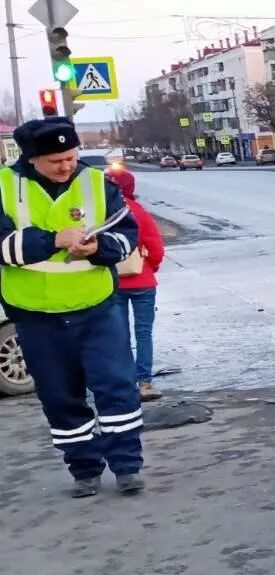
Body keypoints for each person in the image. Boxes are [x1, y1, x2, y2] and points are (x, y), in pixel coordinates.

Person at [0, 117, 145, 497]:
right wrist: (52, 241)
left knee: (117, 388)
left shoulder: (96, 182)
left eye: (70, 156)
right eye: (56, 160)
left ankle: (128, 465)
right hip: (35, 315)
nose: (66, 166)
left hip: (97, 308)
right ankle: (84, 468)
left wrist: (100, 248)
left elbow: (126, 235)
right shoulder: (2, 187)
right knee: (60, 397)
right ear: (32, 159)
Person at [105, 167, 166, 402]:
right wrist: (150, 266)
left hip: (113, 282)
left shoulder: (103, 211)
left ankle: (124, 382)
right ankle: (144, 382)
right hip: (143, 281)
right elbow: (156, 247)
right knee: (143, 333)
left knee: (118, 334)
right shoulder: (138, 211)